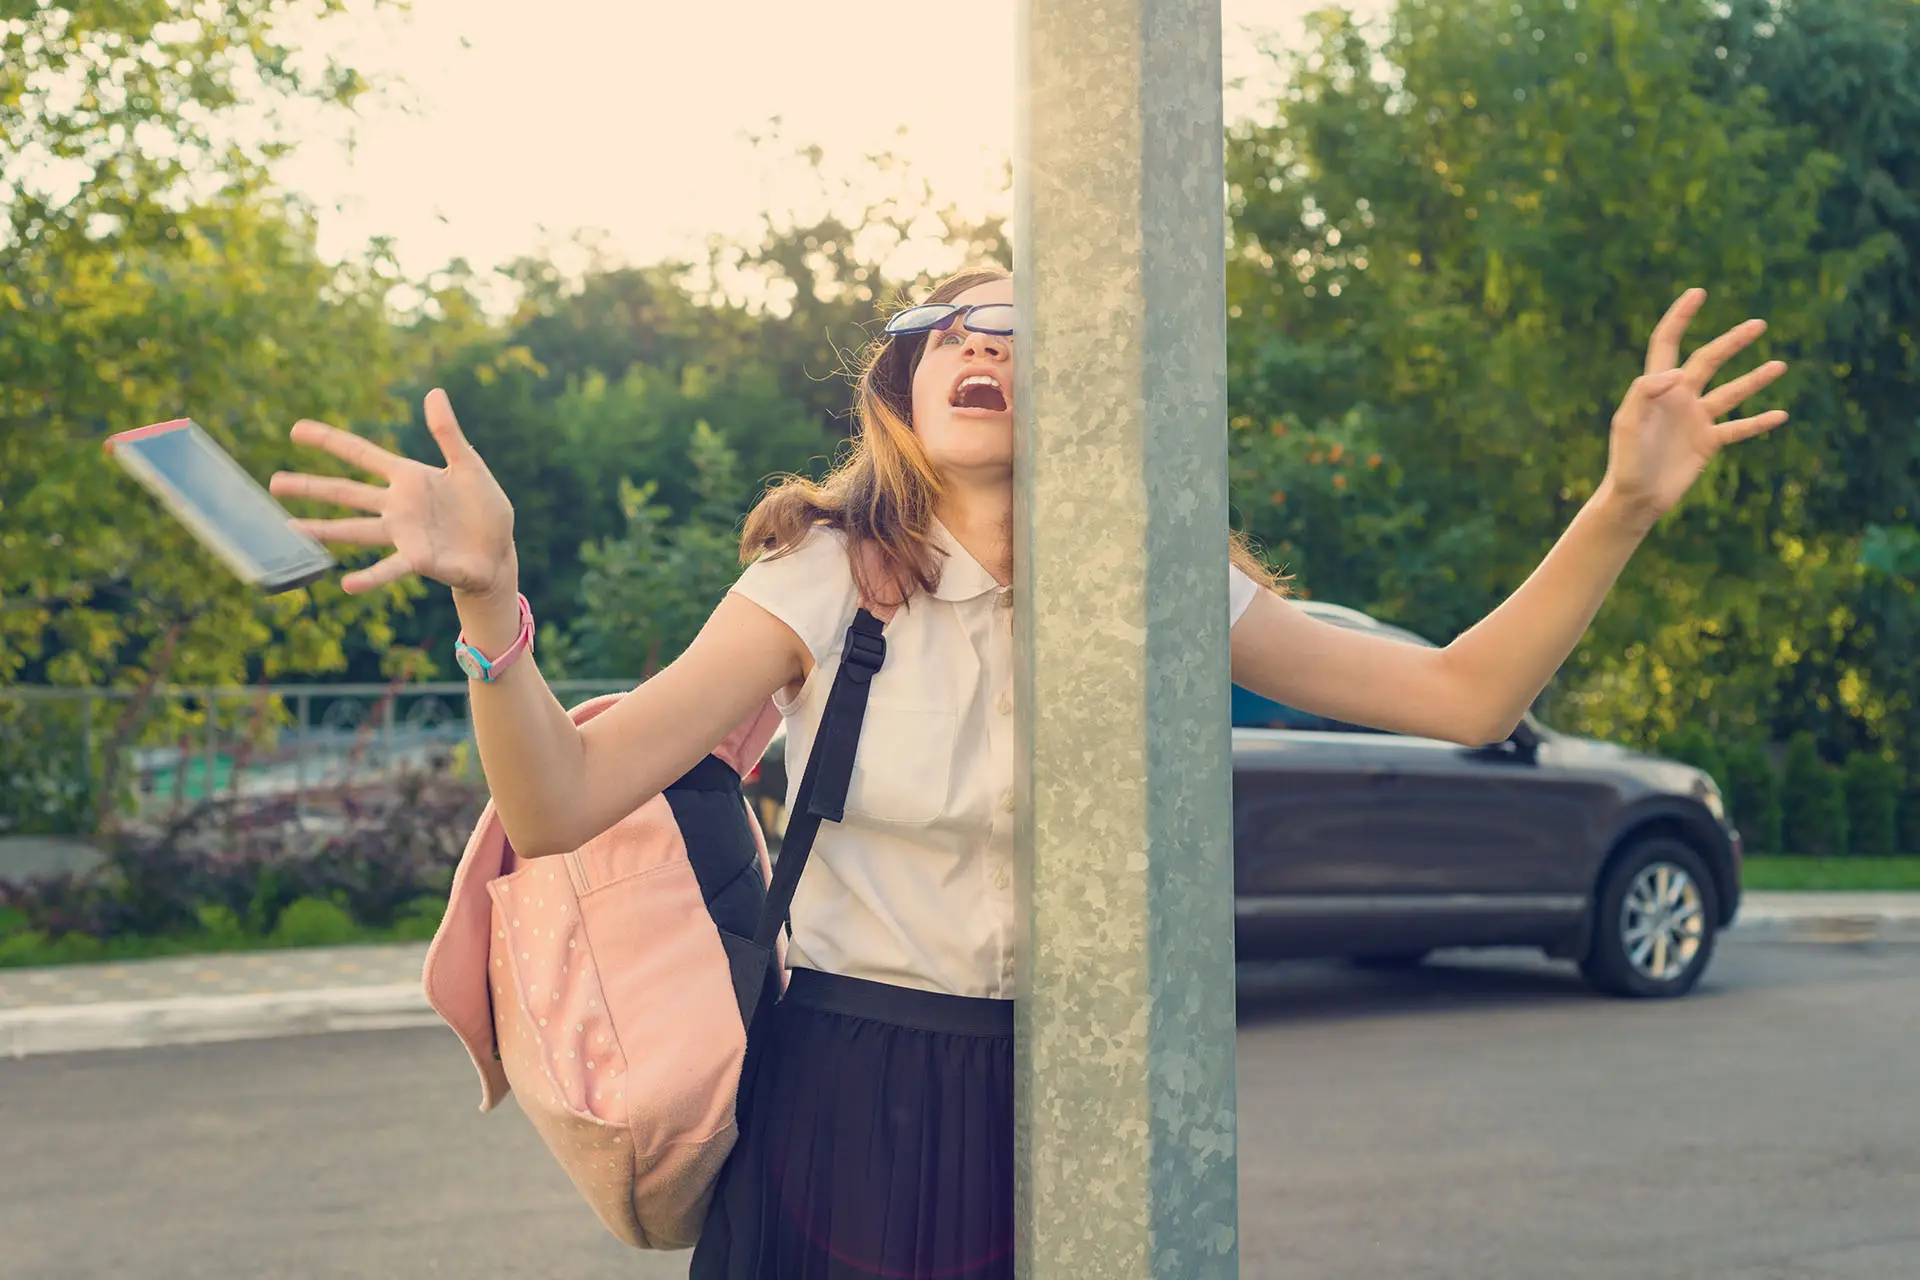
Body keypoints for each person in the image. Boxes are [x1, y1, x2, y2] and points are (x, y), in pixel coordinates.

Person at [270, 265, 1787, 1277]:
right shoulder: (816, 579)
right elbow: (557, 805)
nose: (988, 343)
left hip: (1083, 1099)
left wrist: (1623, 502)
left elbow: (1466, 695)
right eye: (955, 327)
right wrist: (490, 601)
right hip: (842, 1089)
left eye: (1023, 330)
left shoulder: (1157, 584)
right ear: (901, 389)